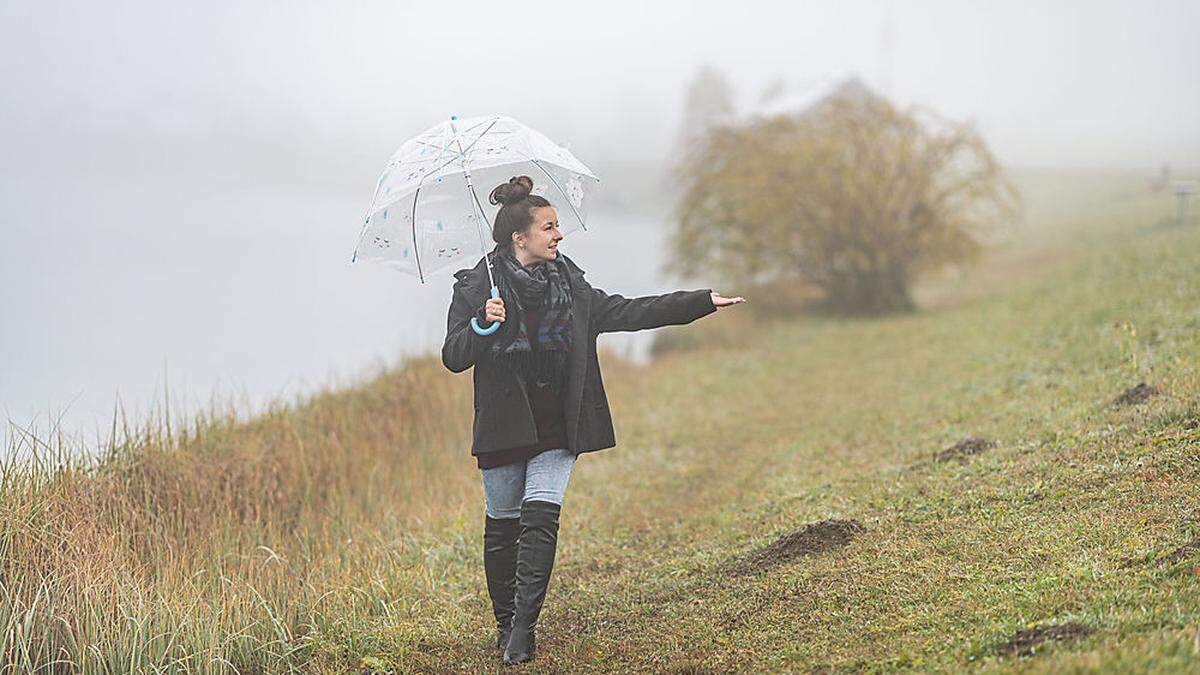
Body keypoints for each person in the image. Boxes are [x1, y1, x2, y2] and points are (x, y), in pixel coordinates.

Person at [441, 175, 745, 666]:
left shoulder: (573, 288)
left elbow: (630, 311)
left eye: (557, 226)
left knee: (540, 520)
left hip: (560, 423)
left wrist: (700, 302)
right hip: (502, 424)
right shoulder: (479, 288)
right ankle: (503, 622)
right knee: (502, 527)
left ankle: (523, 629)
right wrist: (482, 324)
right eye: (549, 227)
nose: (559, 235)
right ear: (520, 238)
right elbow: (453, 357)